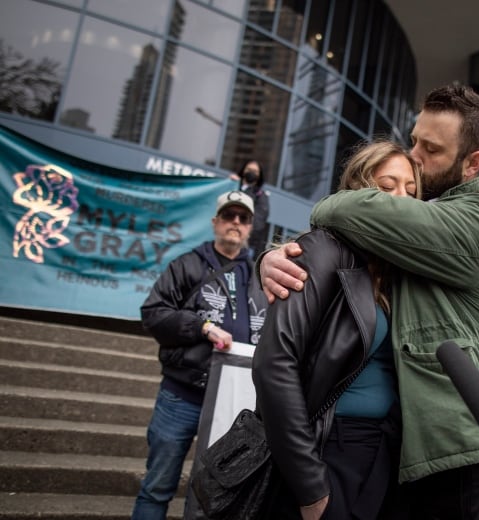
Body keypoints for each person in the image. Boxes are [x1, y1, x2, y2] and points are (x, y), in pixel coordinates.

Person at [259, 83, 479, 518]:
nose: (415, 155)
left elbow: (356, 213)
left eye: (430, 150)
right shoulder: (396, 249)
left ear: (473, 163)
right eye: (414, 139)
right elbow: (278, 357)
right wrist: (270, 259)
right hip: (388, 452)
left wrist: (332, 208)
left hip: (451, 456)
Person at [253, 140, 420, 520]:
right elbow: (274, 365)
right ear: (359, 190)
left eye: (411, 191)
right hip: (326, 447)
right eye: (387, 185)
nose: (401, 198)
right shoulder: (324, 250)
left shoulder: (402, 269)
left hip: (379, 451)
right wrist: (311, 486)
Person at [131, 190, 267, 520]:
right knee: (158, 486)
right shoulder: (187, 264)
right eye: (229, 216)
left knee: (218, 494)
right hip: (182, 396)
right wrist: (202, 327)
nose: (235, 223)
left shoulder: (258, 275)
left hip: (233, 402)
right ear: (215, 222)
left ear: (250, 226)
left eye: (243, 218)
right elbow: (153, 312)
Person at [235, 159, 271, 259]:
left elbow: (259, 221)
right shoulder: (233, 185)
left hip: (246, 245)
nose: (251, 173)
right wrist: (231, 182)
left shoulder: (260, 196)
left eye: (255, 171)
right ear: (243, 170)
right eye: (249, 169)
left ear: (259, 175)